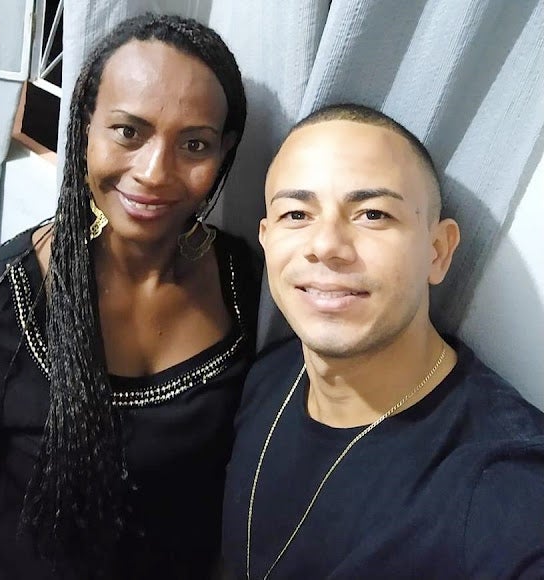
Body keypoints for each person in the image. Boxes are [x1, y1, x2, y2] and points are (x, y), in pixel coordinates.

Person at [0, 13, 262, 579]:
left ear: (225, 151)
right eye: (128, 132)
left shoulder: (243, 282)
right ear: (85, 127)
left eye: (194, 144)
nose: (155, 172)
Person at [221, 103, 544, 579]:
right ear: (266, 240)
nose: (326, 245)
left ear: (437, 252)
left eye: (372, 214)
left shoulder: (503, 485)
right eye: (296, 214)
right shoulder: (270, 374)